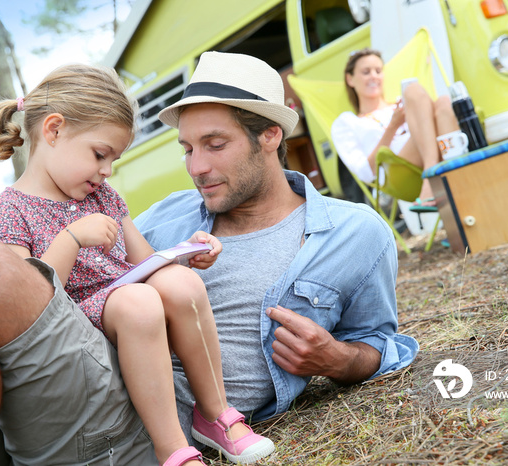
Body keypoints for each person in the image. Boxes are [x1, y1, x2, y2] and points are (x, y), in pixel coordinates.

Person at [0, 63, 274, 466]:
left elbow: (146, 262)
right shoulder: (8, 211)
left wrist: (188, 253)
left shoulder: (105, 198)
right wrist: (71, 238)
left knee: (180, 284)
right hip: (79, 329)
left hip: (134, 311)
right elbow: (33, 304)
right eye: (100, 154)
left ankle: (216, 414)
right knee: (137, 301)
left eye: (114, 159)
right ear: (54, 130)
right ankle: (173, 449)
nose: (107, 170)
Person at [134, 51, 419, 440]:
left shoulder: (355, 233)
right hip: (98, 388)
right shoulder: (165, 217)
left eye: (214, 144)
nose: (196, 167)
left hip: (160, 435)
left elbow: (376, 341)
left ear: (270, 135)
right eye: (187, 149)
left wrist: (337, 359)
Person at [331, 48, 461, 209]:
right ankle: (435, 176)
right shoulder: (347, 122)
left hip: (435, 151)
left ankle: (445, 175)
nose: (374, 76)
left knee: (443, 102)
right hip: (397, 171)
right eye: (366, 72)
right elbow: (365, 173)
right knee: (412, 90)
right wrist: (393, 126)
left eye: (378, 71)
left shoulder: (401, 104)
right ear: (350, 79)